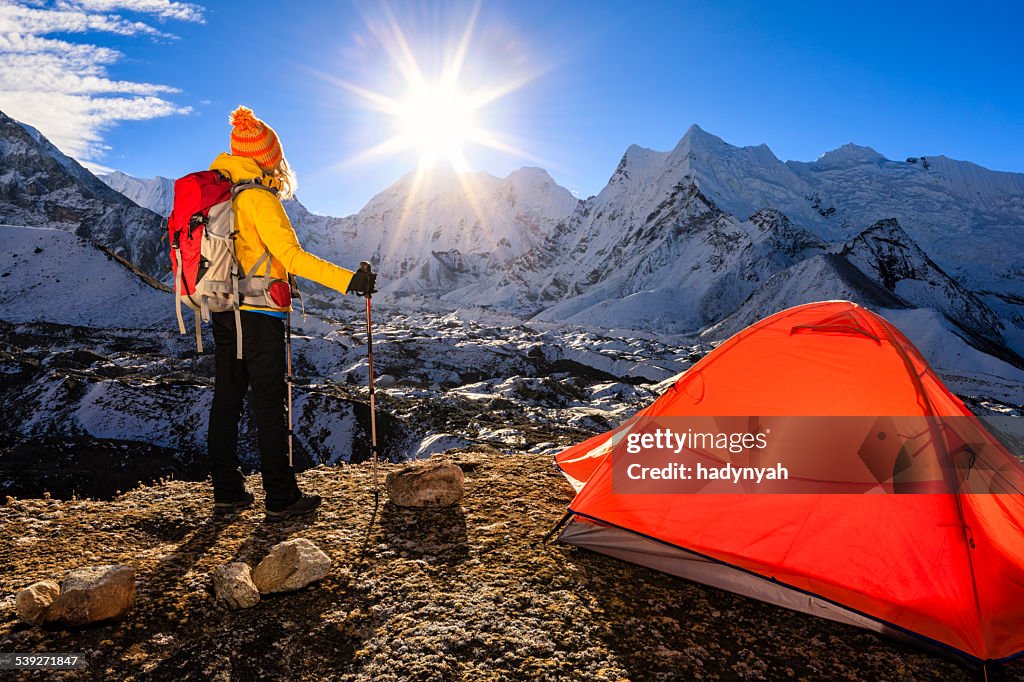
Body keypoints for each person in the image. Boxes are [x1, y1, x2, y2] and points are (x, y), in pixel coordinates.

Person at [208, 105, 375, 522]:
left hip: (223, 308)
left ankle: (227, 492)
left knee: (227, 398)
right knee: (268, 402)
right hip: (259, 313)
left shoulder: (221, 194)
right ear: (267, 158)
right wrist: (348, 280)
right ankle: (280, 497)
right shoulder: (258, 198)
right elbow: (291, 256)